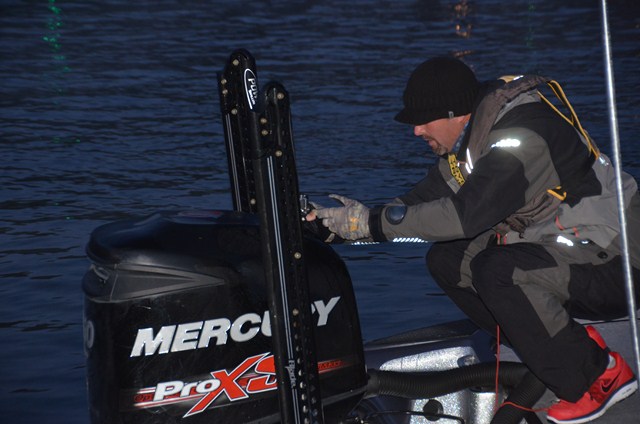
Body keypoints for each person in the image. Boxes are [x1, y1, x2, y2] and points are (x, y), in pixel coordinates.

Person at [307, 56, 640, 423]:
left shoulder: (521, 138)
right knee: (448, 261)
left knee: (498, 270)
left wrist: (368, 224)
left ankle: (598, 375)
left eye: (424, 120)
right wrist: (337, 228)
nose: (416, 131)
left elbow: (463, 216)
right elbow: (419, 203)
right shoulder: (476, 140)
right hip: (574, 250)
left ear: (456, 114)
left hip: (619, 263)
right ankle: (550, 353)